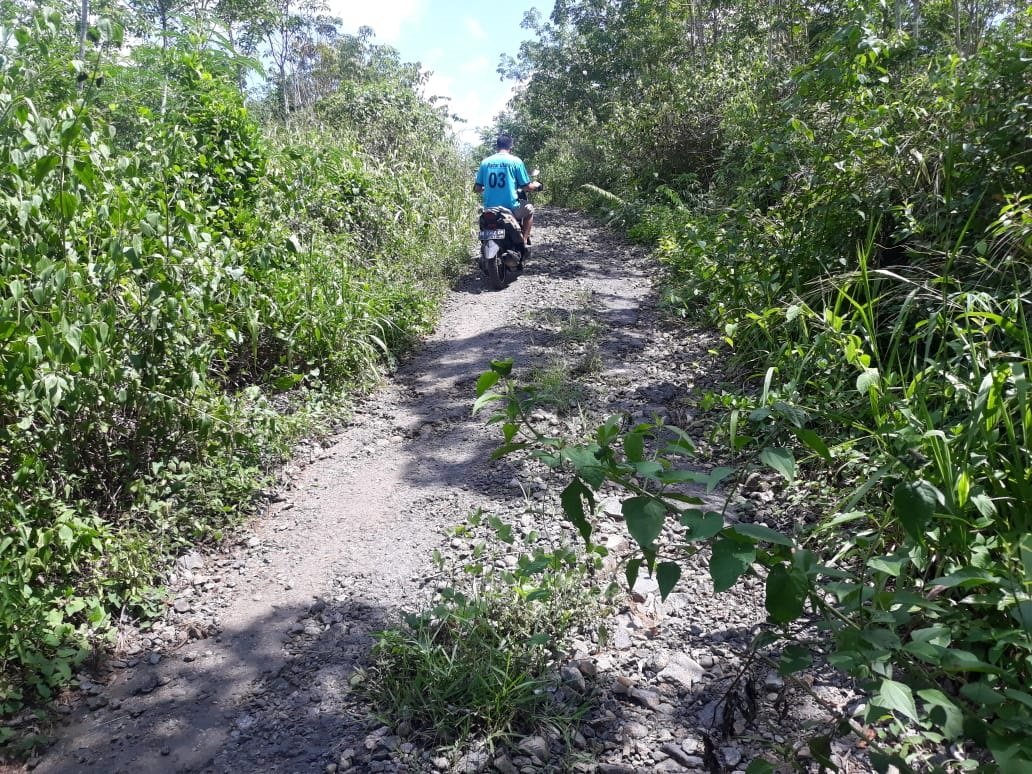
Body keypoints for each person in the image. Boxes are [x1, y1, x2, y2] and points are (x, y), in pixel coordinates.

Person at [474, 134, 542, 247]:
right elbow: (526, 187)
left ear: (497, 146)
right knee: (530, 210)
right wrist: (536, 185)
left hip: (489, 207)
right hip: (511, 207)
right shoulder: (515, 161)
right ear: (511, 146)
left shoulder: (485, 162)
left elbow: (477, 188)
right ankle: (524, 241)